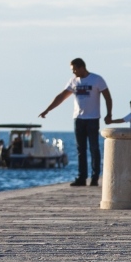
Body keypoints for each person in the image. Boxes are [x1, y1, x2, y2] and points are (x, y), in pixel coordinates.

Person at [40, 57, 110, 186]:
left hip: (92, 119)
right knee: (80, 149)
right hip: (78, 119)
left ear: (81, 67)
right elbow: (61, 96)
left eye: (74, 70)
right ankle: (81, 177)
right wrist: (47, 110)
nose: (73, 72)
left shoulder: (96, 79)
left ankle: (95, 177)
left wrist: (109, 114)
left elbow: (107, 96)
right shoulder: (73, 81)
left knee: (94, 148)